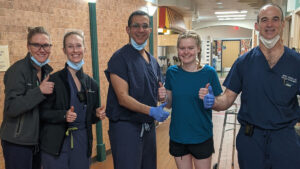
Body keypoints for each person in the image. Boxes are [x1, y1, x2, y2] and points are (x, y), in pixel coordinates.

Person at [199, 3, 300, 169]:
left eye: (275, 19)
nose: (269, 25)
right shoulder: (243, 63)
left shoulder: (296, 62)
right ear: (257, 25)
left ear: (282, 24)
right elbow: (227, 99)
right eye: (264, 20)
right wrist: (214, 102)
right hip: (252, 139)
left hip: (285, 139)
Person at [105, 10, 169, 169]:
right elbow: (122, 97)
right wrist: (151, 111)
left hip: (147, 128)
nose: (140, 30)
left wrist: (161, 95)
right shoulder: (119, 58)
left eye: (145, 26)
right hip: (126, 127)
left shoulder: (153, 61)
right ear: (128, 29)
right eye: (136, 26)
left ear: (150, 30)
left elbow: (157, 90)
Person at [39, 31, 106, 169]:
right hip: (57, 143)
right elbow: (41, 113)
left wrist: (97, 115)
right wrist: (64, 115)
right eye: (70, 46)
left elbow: (91, 117)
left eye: (78, 46)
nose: (75, 50)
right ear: (64, 50)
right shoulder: (53, 81)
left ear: (84, 48)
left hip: (82, 141)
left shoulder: (92, 84)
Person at [164, 30, 222, 169]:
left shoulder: (209, 73)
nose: (186, 52)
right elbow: (169, 104)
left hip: (201, 135)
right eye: (182, 48)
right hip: (178, 135)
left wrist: (211, 100)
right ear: (178, 50)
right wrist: (162, 97)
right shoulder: (172, 72)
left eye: (190, 48)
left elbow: (220, 103)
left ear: (198, 49)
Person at [0, 26, 54, 169]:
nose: (42, 49)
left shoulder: (46, 71)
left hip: (36, 141)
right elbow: (11, 107)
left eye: (46, 45)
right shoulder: (17, 70)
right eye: (36, 45)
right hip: (17, 142)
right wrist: (39, 91)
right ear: (28, 46)